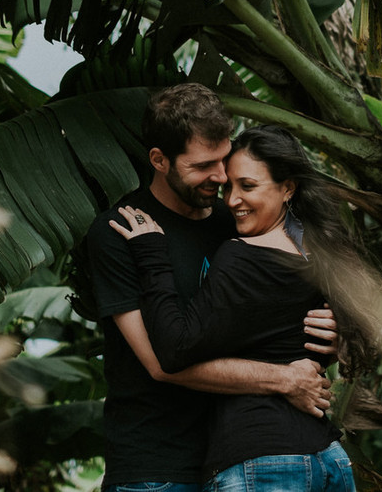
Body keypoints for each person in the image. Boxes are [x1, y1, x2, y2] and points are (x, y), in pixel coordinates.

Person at [84, 84, 339, 491]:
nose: (221, 177)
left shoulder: (235, 220)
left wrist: (333, 330)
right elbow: (161, 364)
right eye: (204, 165)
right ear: (159, 160)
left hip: (240, 457)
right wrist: (285, 379)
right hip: (157, 468)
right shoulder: (120, 232)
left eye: (224, 158)